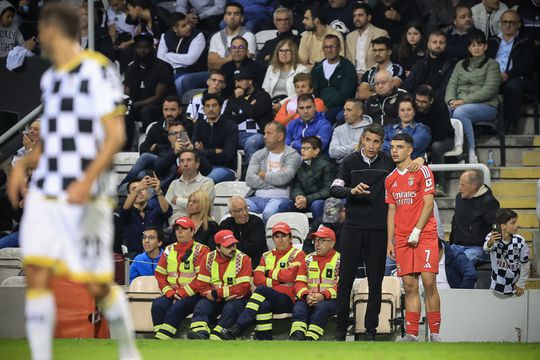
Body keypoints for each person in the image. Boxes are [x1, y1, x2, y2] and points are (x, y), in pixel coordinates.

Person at [7, 3, 140, 359]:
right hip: (49, 190)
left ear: (53, 31)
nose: (37, 38)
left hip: (88, 192)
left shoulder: (96, 70)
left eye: (41, 32)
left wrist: (87, 179)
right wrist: (23, 165)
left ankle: (128, 350)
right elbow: (53, 136)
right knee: (35, 269)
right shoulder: (52, 77)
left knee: (96, 284)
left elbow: (115, 135)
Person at [330, 123, 424, 341]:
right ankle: (341, 331)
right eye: (368, 140)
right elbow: (334, 188)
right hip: (353, 227)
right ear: (362, 139)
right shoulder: (349, 161)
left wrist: (420, 160)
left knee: (375, 281)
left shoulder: (389, 160)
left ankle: (370, 331)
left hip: (379, 229)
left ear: (381, 143)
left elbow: (412, 163)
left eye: (376, 142)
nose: (372, 146)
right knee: (345, 280)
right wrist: (351, 191)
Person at [385, 132, 441, 342]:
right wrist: (390, 240)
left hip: (424, 234)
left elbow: (428, 203)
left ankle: (435, 333)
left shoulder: (422, 170)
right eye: (392, 147)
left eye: (399, 147)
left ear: (410, 150)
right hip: (401, 238)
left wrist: (417, 230)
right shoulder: (390, 179)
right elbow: (392, 211)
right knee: (409, 286)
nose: (394, 151)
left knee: (428, 283)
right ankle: (412, 334)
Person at [220, 222, 306, 340]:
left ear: (290, 238)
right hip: (267, 296)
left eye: (284, 236)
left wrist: (268, 273)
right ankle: (264, 338)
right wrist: (277, 281)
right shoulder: (266, 255)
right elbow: (257, 278)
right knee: (263, 304)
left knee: (261, 290)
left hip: (287, 298)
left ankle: (239, 327)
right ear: (273, 239)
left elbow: (290, 277)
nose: (280, 240)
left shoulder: (298, 254)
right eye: (277, 236)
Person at [445, 29, 502, 164]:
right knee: (445, 110)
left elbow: (489, 90)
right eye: (473, 45)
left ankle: (470, 152)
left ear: (485, 46)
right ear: (468, 48)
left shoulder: (493, 65)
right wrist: (451, 100)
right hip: (459, 103)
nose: (476, 48)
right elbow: (451, 85)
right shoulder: (460, 64)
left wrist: (463, 101)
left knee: (460, 112)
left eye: (479, 44)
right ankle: (449, 151)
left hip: (486, 105)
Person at [187, 229, 252, 340]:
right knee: (202, 306)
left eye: (234, 245)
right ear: (218, 248)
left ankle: (218, 335)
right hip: (215, 299)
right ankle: (200, 333)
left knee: (230, 309)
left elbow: (243, 288)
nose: (233, 249)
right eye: (228, 246)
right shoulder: (208, 258)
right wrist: (213, 295)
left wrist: (216, 293)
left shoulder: (243, 259)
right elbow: (201, 285)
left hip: (236, 300)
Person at [152, 216, 211, 339]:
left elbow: (201, 279)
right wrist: (169, 292)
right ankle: (160, 335)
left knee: (178, 307)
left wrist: (183, 293)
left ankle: (162, 338)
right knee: (158, 305)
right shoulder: (168, 250)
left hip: (194, 294)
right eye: (177, 228)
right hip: (173, 293)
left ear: (192, 231)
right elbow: (160, 275)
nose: (179, 232)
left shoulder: (201, 250)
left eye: (184, 229)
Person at [487, 10, 535, 134]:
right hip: (494, 76)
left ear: (518, 24)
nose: (507, 25)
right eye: (505, 22)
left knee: (512, 86)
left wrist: (507, 75)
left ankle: (510, 124)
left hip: (517, 77)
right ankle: (485, 125)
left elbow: (526, 65)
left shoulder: (526, 41)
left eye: (511, 22)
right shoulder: (492, 41)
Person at [289, 226, 340, 341]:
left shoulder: (339, 260)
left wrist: (323, 295)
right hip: (309, 298)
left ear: (332, 243)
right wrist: (307, 295)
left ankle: (311, 337)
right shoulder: (308, 259)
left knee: (322, 308)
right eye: (315, 240)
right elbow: (299, 283)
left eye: (322, 241)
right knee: (299, 308)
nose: (317, 244)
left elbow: (341, 285)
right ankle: (297, 334)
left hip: (330, 300)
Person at [124, 33, 174, 146]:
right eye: (139, 48)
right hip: (137, 105)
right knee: (124, 111)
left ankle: (150, 141)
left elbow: (158, 97)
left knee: (146, 111)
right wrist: (128, 105)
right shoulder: (131, 68)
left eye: (145, 47)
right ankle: (126, 146)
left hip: (161, 105)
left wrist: (135, 105)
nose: (142, 51)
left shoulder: (163, 67)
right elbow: (127, 92)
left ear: (152, 48)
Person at [245, 121, 301, 224]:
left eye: (269, 133)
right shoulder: (259, 154)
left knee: (269, 213)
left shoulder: (293, 155)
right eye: (264, 133)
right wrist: (275, 182)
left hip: (280, 198)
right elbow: (249, 179)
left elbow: (285, 178)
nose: (264, 137)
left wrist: (263, 175)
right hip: (256, 197)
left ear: (280, 136)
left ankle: (265, 240)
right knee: (236, 209)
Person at [223, 66, 272, 164]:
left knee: (252, 142)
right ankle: (231, 171)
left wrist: (241, 99)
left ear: (250, 81)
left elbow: (253, 113)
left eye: (240, 80)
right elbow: (226, 119)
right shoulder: (232, 98)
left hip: (258, 134)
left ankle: (251, 173)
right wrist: (248, 109)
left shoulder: (262, 96)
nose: (237, 84)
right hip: (236, 134)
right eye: (236, 81)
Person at [450, 170, 500, 266]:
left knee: (460, 263)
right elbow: (454, 223)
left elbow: (495, 227)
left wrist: (489, 245)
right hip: (456, 245)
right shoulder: (459, 198)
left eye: (462, 185)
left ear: (473, 185)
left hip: (478, 247)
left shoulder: (489, 202)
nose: (459, 189)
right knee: (440, 262)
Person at [414, 85, 454, 195]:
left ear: (431, 101)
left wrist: (426, 147)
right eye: (417, 100)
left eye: (423, 102)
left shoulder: (440, 107)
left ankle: (440, 184)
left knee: (436, 147)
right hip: (422, 140)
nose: (419, 104)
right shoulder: (413, 105)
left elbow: (441, 134)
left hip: (446, 139)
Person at [157, 12, 207, 99]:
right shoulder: (165, 36)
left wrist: (169, 56)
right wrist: (179, 62)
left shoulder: (198, 36)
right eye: (184, 26)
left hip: (192, 72)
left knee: (178, 84)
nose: (189, 27)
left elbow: (190, 60)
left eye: (188, 23)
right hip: (170, 73)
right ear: (175, 29)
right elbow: (160, 59)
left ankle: (181, 107)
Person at [192, 94, 239, 183]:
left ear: (220, 108)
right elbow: (194, 151)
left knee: (207, 180)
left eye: (214, 105)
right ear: (204, 109)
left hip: (225, 168)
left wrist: (203, 152)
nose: (210, 109)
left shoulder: (230, 126)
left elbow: (227, 156)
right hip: (203, 167)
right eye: (207, 106)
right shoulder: (199, 124)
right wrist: (214, 151)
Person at [483, 208, 530, 296]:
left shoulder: (520, 241)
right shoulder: (492, 237)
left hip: (515, 288)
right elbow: (486, 248)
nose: (517, 225)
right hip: (496, 287)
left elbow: (525, 264)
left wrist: (521, 284)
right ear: (503, 226)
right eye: (513, 222)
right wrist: (490, 242)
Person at [311, 34, 357, 122]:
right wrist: (319, 105)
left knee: (325, 118)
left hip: (341, 106)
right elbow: (314, 90)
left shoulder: (348, 67)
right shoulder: (317, 68)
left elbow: (346, 93)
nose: (329, 50)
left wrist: (328, 107)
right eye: (326, 47)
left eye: (332, 47)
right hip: (319, 105)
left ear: (339, 48)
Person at [290, 136, 337, 222]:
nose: (302, 151)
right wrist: (298, 197)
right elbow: (296, 187)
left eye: (307, 148)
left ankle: (319, 230)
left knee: (317, 204)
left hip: (322, 201)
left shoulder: (327, 165)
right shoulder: (301, 167)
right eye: (302, 148)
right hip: (305, 201)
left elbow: (328, 190)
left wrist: (307, 199)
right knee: (286, 204)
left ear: (316, 151)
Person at [121, 176, 170, 254]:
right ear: (128, 196)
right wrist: (138, 190)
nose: (140, 191)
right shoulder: (127, 213)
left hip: (157, 257)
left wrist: (159, 192)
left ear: (147, 192)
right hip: (135, 257)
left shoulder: (155, 209)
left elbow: (167, 212)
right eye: (135, 189)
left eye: (142, 189)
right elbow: (125, 210)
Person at [165, 150, 215, 225]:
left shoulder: (207, 182)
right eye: (182, 161)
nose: (185, 164)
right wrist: (192, 202)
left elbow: (202, 206)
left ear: (197, 164)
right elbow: (166, 208)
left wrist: (177, 200)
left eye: (189, 160)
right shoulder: (174, 184)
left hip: (199, 225)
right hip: (175, 226)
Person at [403, 30, 456, 100]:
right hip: (416, 101)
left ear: (445, 45)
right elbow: (408, 86)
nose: (438, 45)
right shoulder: (420, 64)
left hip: (437, 102)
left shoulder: (450, 65)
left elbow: (444, 89)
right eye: (434, 42)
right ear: (428, 45)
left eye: (441, 43)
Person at [345, 3, 388, 83]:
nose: (356, 18)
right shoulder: (349, 37)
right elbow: (348, 61)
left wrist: (366, 75)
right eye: (354, 16)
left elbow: (383, 60)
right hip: (353, 77)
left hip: (374, 76)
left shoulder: (380, 33)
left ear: (369, 17)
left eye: (360, 15)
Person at [219, 196, 267, 268]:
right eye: (240, 210)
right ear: (231, 213)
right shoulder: (225, 224)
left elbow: (254, 248)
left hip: (255, 262)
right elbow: (222, 247)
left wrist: (232, 246)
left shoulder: (257, 222)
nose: (245, 213)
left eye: (246, 208)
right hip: (231, 261)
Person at [262, 39, 308, 113]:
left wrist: (281, 104)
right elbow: (265, 89)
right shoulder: (271, 68)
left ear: (293, 53)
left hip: (291, 104)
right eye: (281, 51)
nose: (283, 54)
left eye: (287, 51)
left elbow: (300, 92)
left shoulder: (302, 69)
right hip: (271, 104)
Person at [207, 2, 256, 71]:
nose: (232, 17)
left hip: (239, 76)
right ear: (224, 17)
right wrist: (234, 57)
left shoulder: (248, 36)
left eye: (236, 14)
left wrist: (220, 61)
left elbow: (244, 61)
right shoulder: (216, 36)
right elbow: (211, 64)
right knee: (189, 79)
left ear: (242, 18)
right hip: (216, 77)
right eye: (229, 14)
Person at [357, 36, 405, 101]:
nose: (377, 53)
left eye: (380, 50)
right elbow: (361, 94)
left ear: (389, 52)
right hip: (370, 108)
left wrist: (371, 88)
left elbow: (391, 89)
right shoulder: (370, 71)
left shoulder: (397, 69)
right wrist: (383, 87)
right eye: (375, 50)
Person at [298, 4, 344, 69]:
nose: (303, 21)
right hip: (309, 75)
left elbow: (337, 64)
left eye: (306, 18)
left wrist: (312, 67)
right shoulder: (306, 35)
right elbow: (301, 63)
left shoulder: (335, 36)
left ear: (316, 20)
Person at [329, 98, 373, 163]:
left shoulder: (370, 130)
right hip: (341, 167)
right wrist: (354, 146)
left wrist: (342, 151)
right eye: (344, 110)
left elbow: (365, 154)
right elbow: (332, 152)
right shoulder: (338, 129)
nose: (344, 113)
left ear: (359, 112)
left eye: (349, 110)